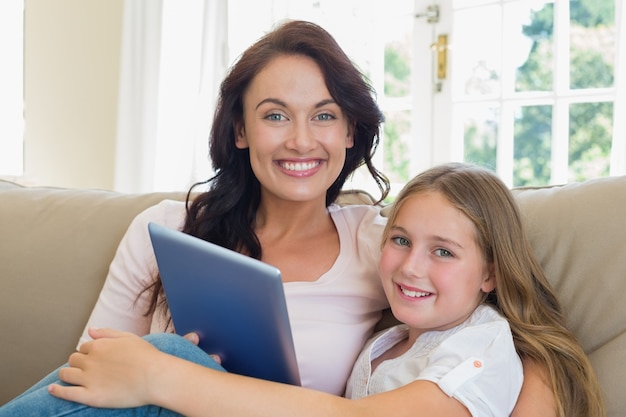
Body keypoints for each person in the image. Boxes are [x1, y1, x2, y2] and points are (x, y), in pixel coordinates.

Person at [0, 20, 599, 417]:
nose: (300, 140)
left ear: (349, 132)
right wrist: (156, 372)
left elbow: (510, 338)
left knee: (171, 360)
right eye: (275, 115)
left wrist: (165, 374)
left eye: (324, 115)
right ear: (240, 129)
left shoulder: (382, 248)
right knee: (167, 355)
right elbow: (88, 376)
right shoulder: (165, 231)